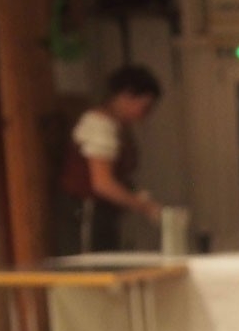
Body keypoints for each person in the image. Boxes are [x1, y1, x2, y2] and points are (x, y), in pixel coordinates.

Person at [58, 64, 165, 253]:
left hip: (102, 214)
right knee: (90, 265)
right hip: (87, 211)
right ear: (126, 96)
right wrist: (145, 207)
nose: (145, 115)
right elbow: (102, 183)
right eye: (145, 107)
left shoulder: (118, 128)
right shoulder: (99, 125)